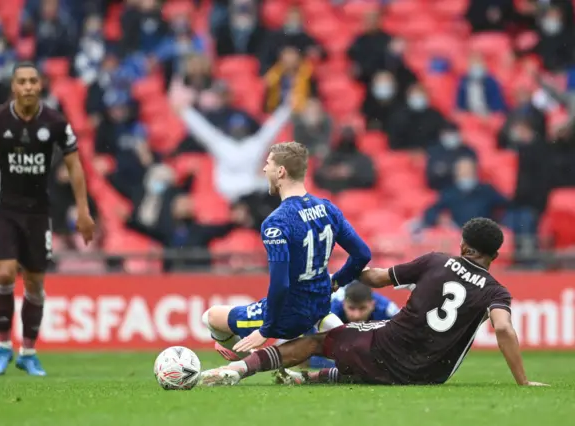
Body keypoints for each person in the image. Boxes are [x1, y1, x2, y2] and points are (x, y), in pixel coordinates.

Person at [200, 218, 547, 387]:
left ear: (463, 245)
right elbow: (502, 328)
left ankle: (238, 370)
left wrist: (346, 267)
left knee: (323, 341)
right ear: (495, 255)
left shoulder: (437, 261)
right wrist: (522, 381)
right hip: (430, 374)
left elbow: (376, 277)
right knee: (378, 367)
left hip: (387, 346)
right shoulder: (496, 291)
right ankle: (306, 380)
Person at [0, 62, 95, 376]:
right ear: (13, 86)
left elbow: (75, 165)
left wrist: (83, 210)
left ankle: (28, 351)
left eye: (32, 81)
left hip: (38, 212)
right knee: (7, 273)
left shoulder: (54, 122)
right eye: (21, 81)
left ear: (40, 86)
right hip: (3, 209)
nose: (27, 86)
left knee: (35, 282)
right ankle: (2, 346)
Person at [202, 141, 372, 364]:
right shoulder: (328, 208)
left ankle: (251, 360)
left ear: (280, 171)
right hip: (320, 304)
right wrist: (337, 281)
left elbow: (280, 283)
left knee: (211, 317)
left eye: (268, 164)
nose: (264, 169)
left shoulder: (277, 222)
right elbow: (362, 254)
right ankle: (330, 330)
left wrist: (266, 329)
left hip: (289, 315)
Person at [306, 280, 399, 369]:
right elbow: (316, 350)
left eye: (362, 308)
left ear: (373, 304)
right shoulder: (331, 309)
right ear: (343, 304)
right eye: (351, 308)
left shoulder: (388, 311)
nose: (356, 315)